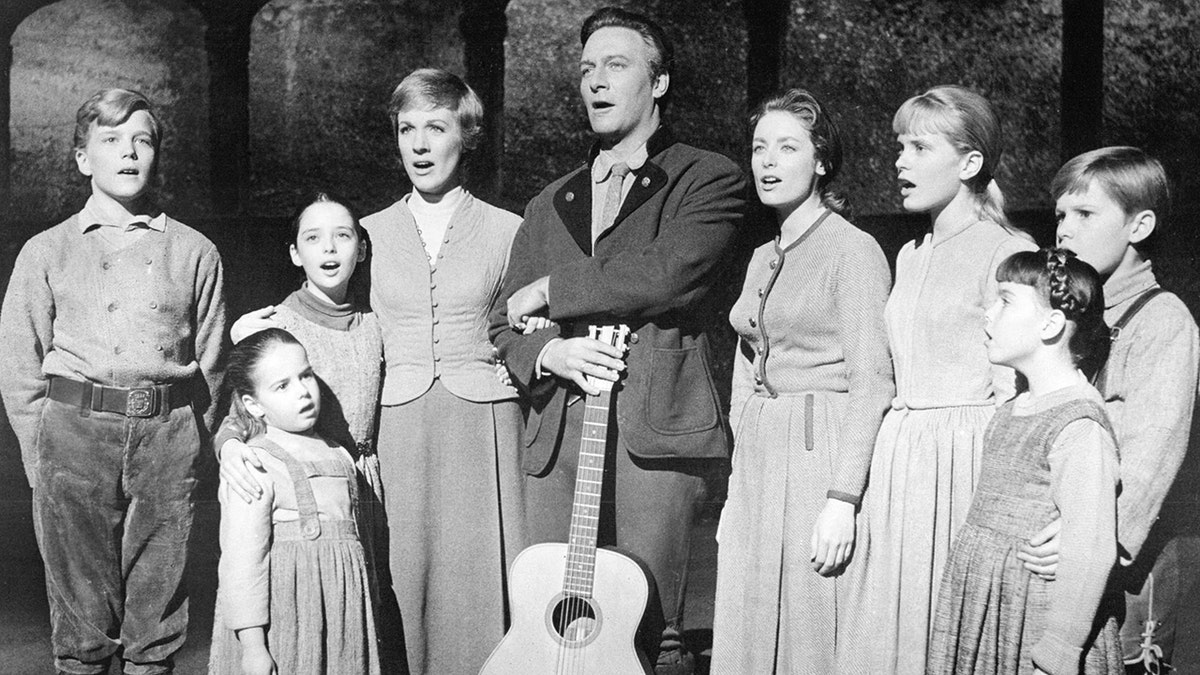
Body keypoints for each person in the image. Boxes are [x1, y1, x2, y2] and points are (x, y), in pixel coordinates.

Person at [222, 68, 524, 675]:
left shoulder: (509, 230)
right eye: (406, 129)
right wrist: (234, 432)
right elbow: (319, 315)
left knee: (482, 579)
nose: (418, 145)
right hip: (396, 425)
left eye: (435, 129)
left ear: (466, 137)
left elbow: (520, 328)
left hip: (485, 426)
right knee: (397, 577)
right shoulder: (371, 232)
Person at [490, 7, 746, 672]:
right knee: (556, 629)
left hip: (653, 434)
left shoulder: (707, 177)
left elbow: (666, 274)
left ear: (658, 83)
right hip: (557, 439)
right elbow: (501, 320)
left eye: (616, 65)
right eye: (586, 69)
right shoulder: (551, 201)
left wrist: (551, 290)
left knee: (652, 630)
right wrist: (549, 352)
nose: (595, 81)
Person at [0, 88, 226, 675]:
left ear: (155, 157)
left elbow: (212, 360)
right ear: (83, 159)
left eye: (142, 140)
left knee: (158, 609)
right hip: (73, 436)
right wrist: (41, 451)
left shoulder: (195, 252)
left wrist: (190, 443)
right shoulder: (46, 251)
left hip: (167, 437)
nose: (128, 153)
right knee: (81, 618)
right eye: (111, 140)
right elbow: (19, 364)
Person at [844, 85, 1036, 674]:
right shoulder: (910, 254)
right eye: (900, 146)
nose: (900, 162)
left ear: (970, 163)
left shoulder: (1008, 251)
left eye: (919, 147)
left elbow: (1019, 390)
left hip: (964, 465)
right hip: (900, 457)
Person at [709, 89, 892, 673]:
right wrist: (741, 455)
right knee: (749, 613)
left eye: (787, 147)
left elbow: (873, 381)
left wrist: (843, 499)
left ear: (820, 161)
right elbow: (746, 357)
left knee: (811, 618)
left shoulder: (853, 250)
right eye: (760, 147)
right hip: (761, 452)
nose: (767, 161)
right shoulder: (762, 253)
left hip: (822, 450)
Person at [1018, 147, 1200, 670]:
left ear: (1139, 225)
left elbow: (1152, 455)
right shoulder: (1071, 316)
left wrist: (1097, 540)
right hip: (1059, 547)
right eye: (1059, 216)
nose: (1064, 231)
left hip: (1129, 566)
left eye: (1085, 215)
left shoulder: (1163, 321)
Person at [928, 248, 1122, 675]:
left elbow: (1090, 550)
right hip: (987, 604)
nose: (988, 314)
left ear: (1052, 324)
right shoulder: (1012, 409)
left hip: (1035, 618)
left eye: (1006, 301)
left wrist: (1057, 651)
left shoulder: (1079, 425)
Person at [214, 192, 386, 591]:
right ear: (295, 254)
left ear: (361, 251)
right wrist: (230, 448)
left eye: (342, 236)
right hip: (307, 492)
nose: (328, 247)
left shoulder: (374, 324)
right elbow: (239, 414)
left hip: (367, 483)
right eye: (312, 238)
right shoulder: (276, 324)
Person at [208, 328, 380, 675]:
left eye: (306, 376)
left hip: (342, 621)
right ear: (253, 405)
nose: (303, 391)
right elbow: (242, 563)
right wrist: (254, 648)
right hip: (286, 625)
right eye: (282, 385)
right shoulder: (255, 464)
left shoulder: (340, 454)